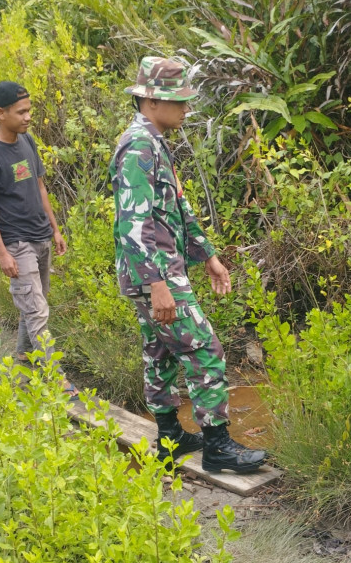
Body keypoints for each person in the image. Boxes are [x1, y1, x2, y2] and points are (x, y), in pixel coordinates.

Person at [109, 56, 266, 474]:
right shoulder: (139, 148)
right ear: (152, 101)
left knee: (160, 351)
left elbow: (178, 207)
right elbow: (133, 222)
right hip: (154, 273)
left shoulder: (155, 143)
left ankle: (171, 436)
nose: (186, 109)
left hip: (160, 270)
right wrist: (156, 283)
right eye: (178, 101)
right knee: (205, 348)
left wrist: (209, 257)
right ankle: (217, 446)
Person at [0, 81, 78, 398]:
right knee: (36, 311)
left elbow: (41, 187)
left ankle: (22, 355)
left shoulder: (27, 141)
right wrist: (2, 252)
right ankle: (54, 376)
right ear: (1, 113)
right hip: (15, 241)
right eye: (22, 112)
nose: (28, 117)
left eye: (30, 110)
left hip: (40, 234)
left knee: (35, 303)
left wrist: (55, 229)